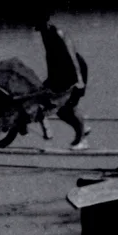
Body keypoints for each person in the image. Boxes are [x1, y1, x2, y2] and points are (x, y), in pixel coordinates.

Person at [37, 19, 91, 149]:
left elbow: (72, 57)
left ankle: (82, 140)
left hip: (74, 71)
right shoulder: (45, 33)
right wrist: (49, 80)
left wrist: (79, 80)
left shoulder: (58, 33)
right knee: (62, 109)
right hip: (62, 73)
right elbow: (51, 59)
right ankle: (83, 127)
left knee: (67, 108)